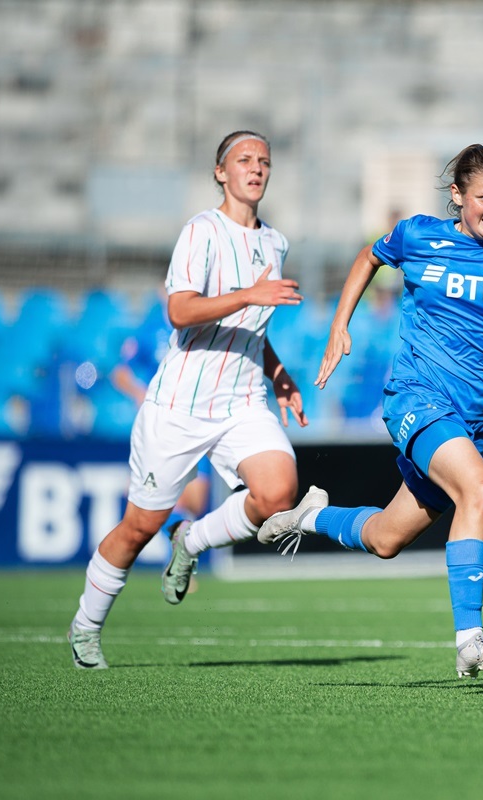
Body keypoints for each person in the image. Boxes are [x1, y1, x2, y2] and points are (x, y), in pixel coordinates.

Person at [257, 143, 483, 678]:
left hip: (477, 424)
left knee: (388, 539)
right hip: (418, 398)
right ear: (457, 195)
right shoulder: (418, 235)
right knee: (479, 490)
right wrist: (339, 325)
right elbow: (370, 256)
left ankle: (310, 515)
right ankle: (469, 640)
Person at [67, 130, 308, 669]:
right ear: (221, 172)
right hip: (180, 405)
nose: (256, 168)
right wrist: (248, 293)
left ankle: (192, 540)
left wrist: (279, 373)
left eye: (264, 161)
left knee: (278, 494)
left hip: (244, 399)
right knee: (137, 528)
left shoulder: (276, 243)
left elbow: (254, 327)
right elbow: (179, 311)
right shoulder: (200, 232)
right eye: (244, 160)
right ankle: (85, 626)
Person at [110, 291, 212, 524]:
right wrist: (139, 393)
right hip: (160, 420)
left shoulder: (202, 327)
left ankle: (172, 542)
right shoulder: (149, 330)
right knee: (161, 490)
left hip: (193, 420)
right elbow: (120, 373)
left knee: (196, 500)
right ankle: (167, 552)